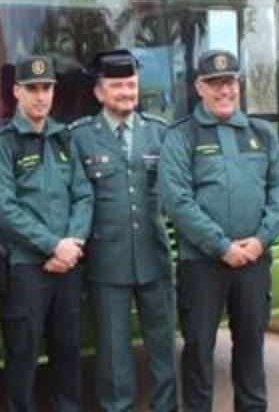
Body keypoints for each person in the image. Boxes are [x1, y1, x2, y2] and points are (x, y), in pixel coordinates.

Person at [159, 49, 279, 412]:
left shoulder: (261, 134)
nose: (224, 90)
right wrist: (221, 246)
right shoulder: (182, 136)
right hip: (201, 263)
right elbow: (177, 199)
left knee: (250, 347)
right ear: (199, 87)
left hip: (253, 260)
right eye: (215, 83)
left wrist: (261, 240)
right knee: (199, 349)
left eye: (230, 82)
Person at [0, 54, 93, 412]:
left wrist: (73, 243)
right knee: (22, 358)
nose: (41, 96)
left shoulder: (64, 139)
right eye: (32, 89)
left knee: (67, 353)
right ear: (16, 91)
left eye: (47, 88)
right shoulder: (1, 143)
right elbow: (2, 208)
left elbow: (84, 194)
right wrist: (53, 245)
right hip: (25, 269)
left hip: (67, 266)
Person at [69, 49, 176, 412]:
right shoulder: (80, 137)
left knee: (162, 348)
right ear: (99, 93)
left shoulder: (160, 133)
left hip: (154, 256)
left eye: (131, 85)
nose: (127, 93)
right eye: (117, 86)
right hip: (106, 262)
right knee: (113, 355)